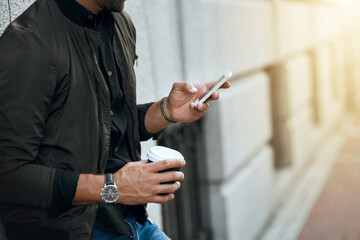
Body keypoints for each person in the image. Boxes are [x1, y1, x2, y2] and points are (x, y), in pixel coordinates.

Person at [0, 0, 230, 239]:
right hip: (70, 231)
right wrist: (113, 188)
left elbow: (110, 126)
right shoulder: (29, 42)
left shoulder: (121, 24)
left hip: (132, 222)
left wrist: (165, 111)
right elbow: (10, 177)